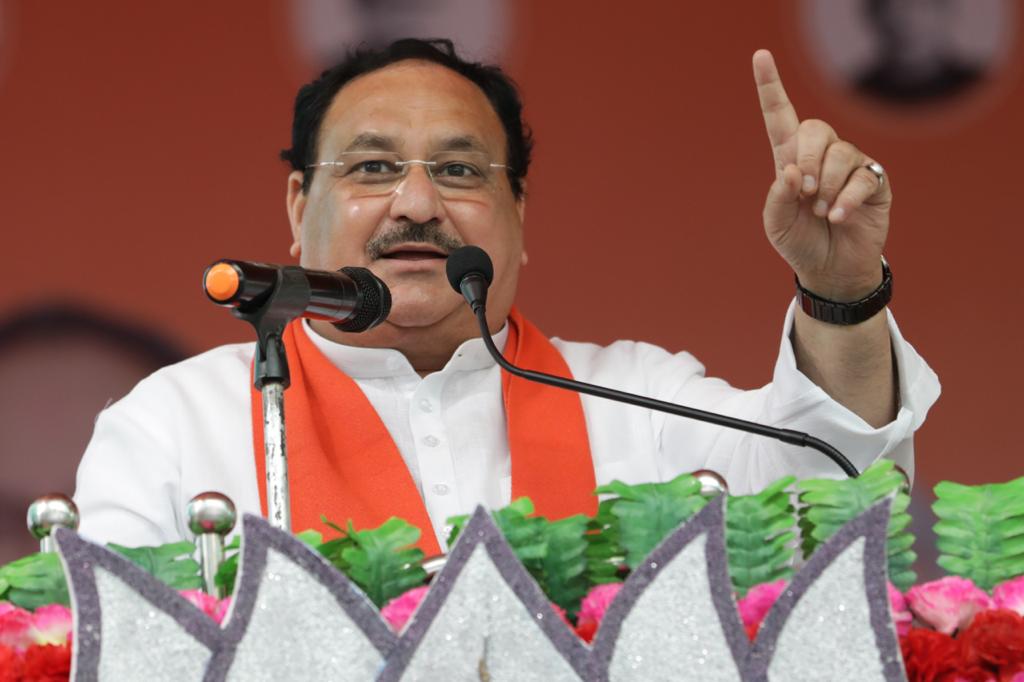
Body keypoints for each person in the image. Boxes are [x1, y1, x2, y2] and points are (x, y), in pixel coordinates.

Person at [74, 39, 939, 553]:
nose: (416, 203)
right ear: (300, 209)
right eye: (373, 168)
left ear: (519, 215)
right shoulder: (174, 425)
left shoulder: (638, 401)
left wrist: (840, 287)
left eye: (458, 171)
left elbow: (836, 508)